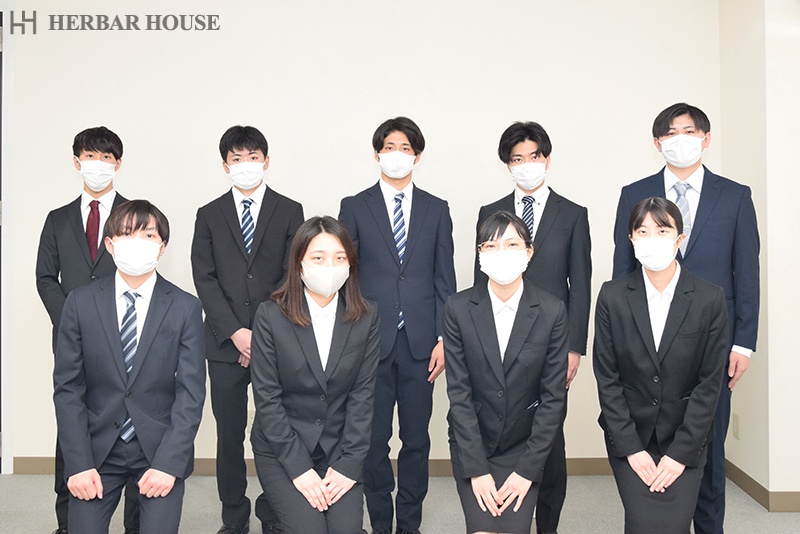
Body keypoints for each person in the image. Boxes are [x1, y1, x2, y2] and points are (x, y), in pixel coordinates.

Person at [612, 103, 759, 534]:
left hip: (713, 346)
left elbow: (746, 273)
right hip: (647, 346)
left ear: (706, 138)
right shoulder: (633, 193)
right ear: (658, 143)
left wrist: (743, 343)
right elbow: (623, 272)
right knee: (648, 445)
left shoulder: (735, 196)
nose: (680, 139)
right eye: (670, 133)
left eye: (689, 131)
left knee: (708, 451)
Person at [53, 200, 206, 534]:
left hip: (158, 450)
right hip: (97, 451)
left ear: (162, 247)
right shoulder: (79, 303)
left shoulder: (185, 308)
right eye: (126, 234)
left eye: (148, 235)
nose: (137, 242)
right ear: (109, 244)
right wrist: (78, 464)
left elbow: (191, 394)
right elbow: (68, 389)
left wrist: (169, 464)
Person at [338, 116, 456, 534]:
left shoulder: (437, 209)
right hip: (370, 343)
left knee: (416, 440)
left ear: (417, 156)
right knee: (372, 442)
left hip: (422, 344)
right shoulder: (355, 206)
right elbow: (346, 275)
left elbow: (445, 278)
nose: (397, 155)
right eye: (390, 147)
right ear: (377, 154)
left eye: (405, 148)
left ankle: (409, 524)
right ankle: (380, 524)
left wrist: (444, 337)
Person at [474, 121, 591, 534]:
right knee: (500, 429)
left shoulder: (573, 214)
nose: (526, 164)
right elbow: (480, 282)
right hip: (499, 341)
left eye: (534, 156)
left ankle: (547, 526)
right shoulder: (490, 213)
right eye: (517, 158)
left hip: (552, 342)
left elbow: (580, 284)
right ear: (507, 164)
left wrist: (574, 347)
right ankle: (502, 512)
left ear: (547, 159)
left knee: (550, 441)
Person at [192, 125, 304, 534]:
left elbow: (293, 275)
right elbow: (204, 278)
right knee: (229, 436)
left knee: (281, 431)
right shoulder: (209, 214)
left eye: (252, 157)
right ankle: (234, 518)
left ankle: (275, 513)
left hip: (276, 341)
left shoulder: (290, 210)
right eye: (236, 159)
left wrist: (260, 333)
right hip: (225, 344)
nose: (245, 165)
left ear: (266, 161)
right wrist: (237, 334)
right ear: (225, 165)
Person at [597, 197, 729, 533]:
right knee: (642, 523)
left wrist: (680, 453)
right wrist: (631, 449)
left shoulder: (709, 298)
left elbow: (709, 384)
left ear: (679, 238)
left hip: (686, 437)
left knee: (673, 525)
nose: (652, 239)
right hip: (630, 436)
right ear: (631, 239)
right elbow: (607, 378)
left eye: (662, 230)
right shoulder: (612, 296)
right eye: (642, 231)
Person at [36, 126, 140, 534]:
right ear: (77, 161)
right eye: (90, 156)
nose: (98, 164)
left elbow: (143, 273)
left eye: (106, 157)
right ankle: (67, 523)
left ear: (118, 163)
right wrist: (74, 323)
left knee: (133, 428)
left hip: (127, 339)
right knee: (72, 426)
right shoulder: (58, 219)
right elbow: (46, 278)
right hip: (71, 341)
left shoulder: (135, 214)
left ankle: (136, 524)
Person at [249, 216, 380, 534]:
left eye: (339, 258)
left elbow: (362, 397)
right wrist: (299, 470)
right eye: (318, 258)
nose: (330, 267)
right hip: (283, 446)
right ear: (299, 264)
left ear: (350, 264)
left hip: (339, 448)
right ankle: (275, 510)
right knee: (310, 529)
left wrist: (348, 465)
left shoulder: (366, 316)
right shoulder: (270, 316)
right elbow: (267, 399)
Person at [446, 210, 569, 534]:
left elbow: (552, 399)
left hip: (524, 446)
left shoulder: (552, 310)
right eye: (491, 246)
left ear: (529, 252)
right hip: (474, 443)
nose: (501, 253)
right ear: (480, 255)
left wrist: (527, 471)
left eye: (512, 244)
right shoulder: (458, 308)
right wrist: (477, 470)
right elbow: (459, 394)